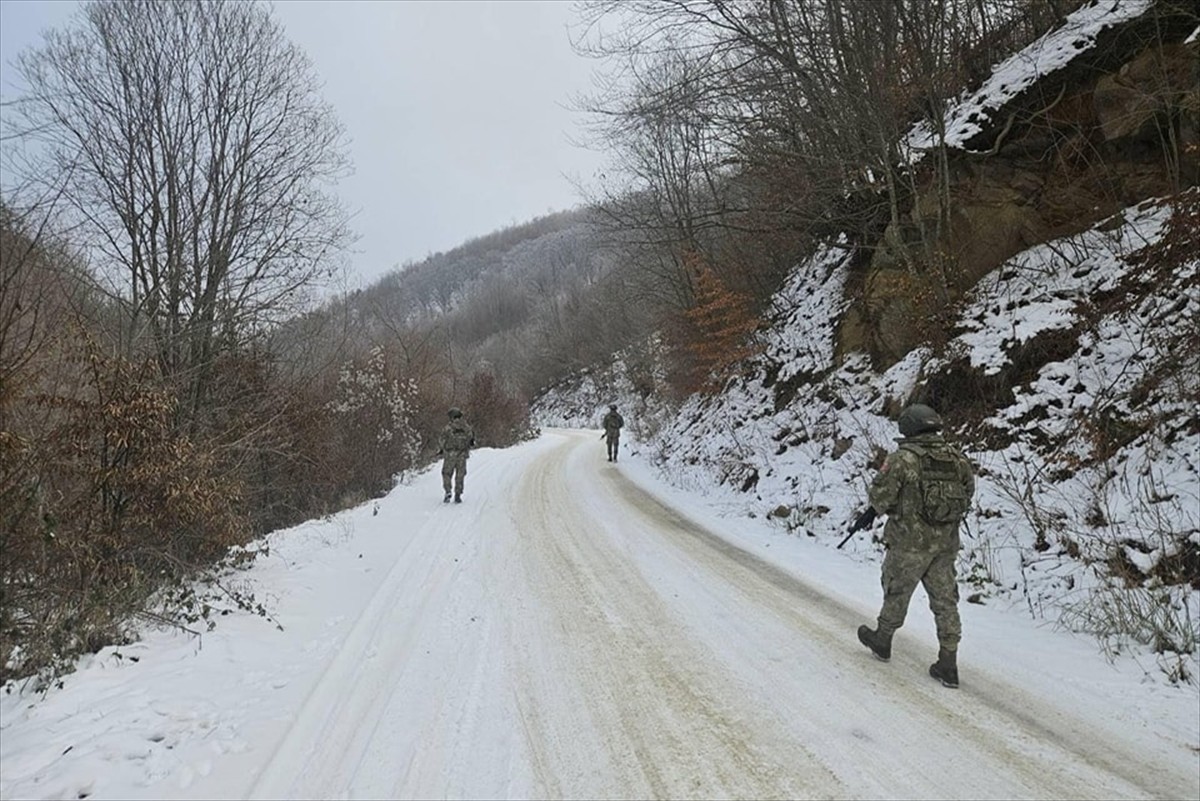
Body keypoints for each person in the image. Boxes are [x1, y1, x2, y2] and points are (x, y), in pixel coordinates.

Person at [855, 403, 975, 688]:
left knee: (896, 590)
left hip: (909, 543)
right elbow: (968, 493)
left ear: (908, 427)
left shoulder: (902, 459)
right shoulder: (957, 459)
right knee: (946, 601)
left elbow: (880, 496)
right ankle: (948, 662)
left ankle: (882, 640)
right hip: (945, 545)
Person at [437, 407, 475, 503]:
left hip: (450, 454)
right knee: (460, 475)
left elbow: (442, 440)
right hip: (462, 455)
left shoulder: (448, 428)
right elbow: (471, 439)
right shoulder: (466, 428)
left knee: (446, 473)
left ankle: (448, 491)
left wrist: (442, 449)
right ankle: (458, 494)